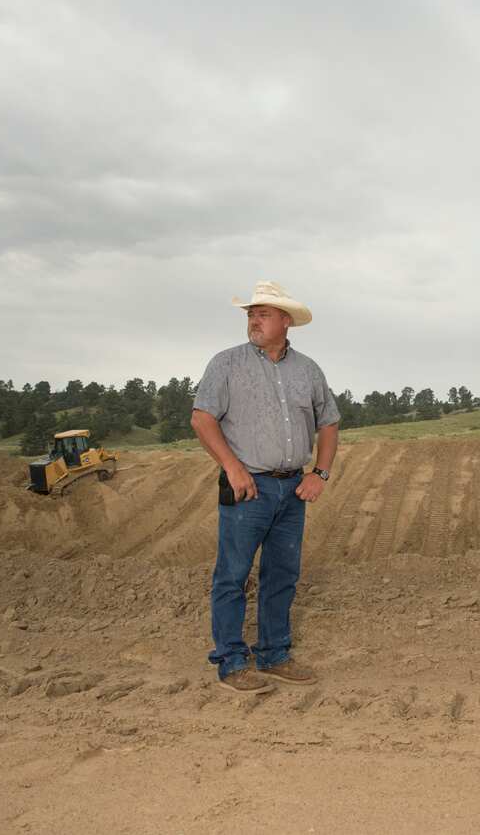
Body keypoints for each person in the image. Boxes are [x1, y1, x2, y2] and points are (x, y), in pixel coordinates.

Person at [190, 281, 340, 694]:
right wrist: (233, 468)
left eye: (264, 313)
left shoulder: (308, 370)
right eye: (251, 314)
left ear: (286, 321)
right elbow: (202, 419)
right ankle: (232, 661)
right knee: (233, 575)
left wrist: (319, 473)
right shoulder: (226, 364)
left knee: (282, 575)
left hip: (292, 490)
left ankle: (274, 654)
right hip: (247, 489)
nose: (254, 320)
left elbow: (329, 422)